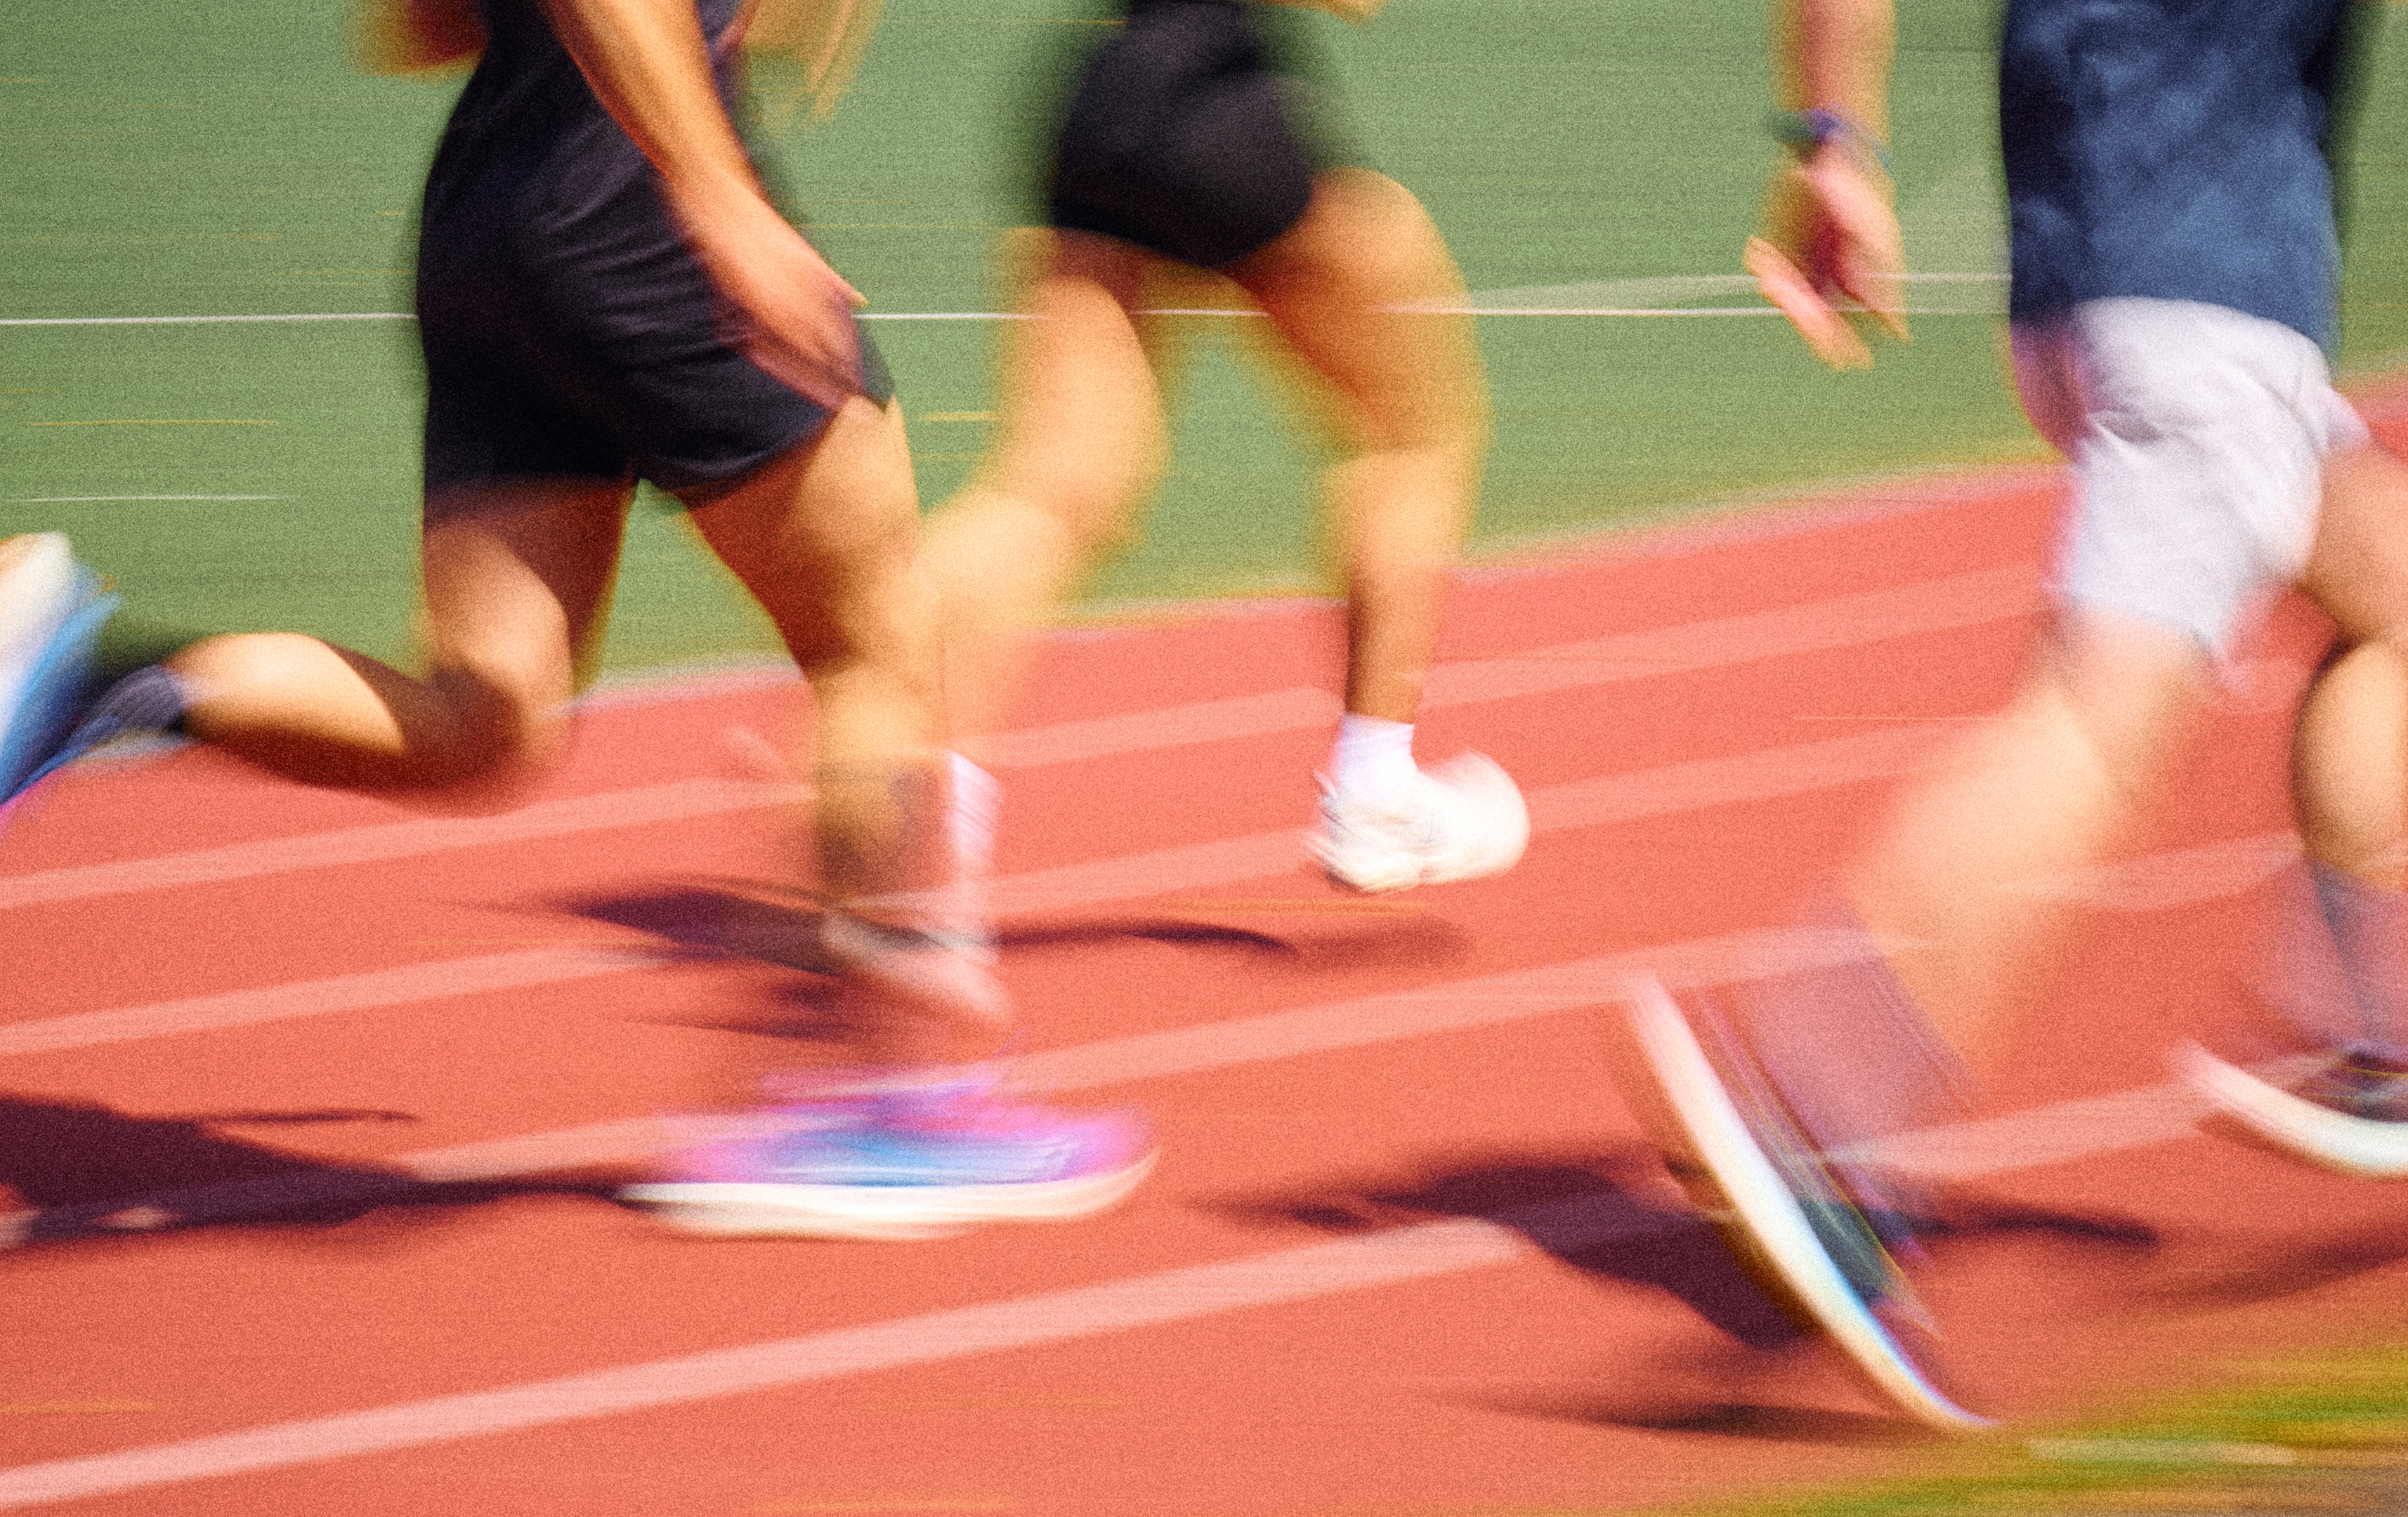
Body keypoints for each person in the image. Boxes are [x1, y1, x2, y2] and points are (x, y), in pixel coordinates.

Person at [0, 0, 1150, 1242]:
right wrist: (712, 189)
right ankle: (886, 1106)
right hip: (647, 221)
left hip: (497, 230)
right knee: (874, 644)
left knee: (485, 715)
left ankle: (86, 678)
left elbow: (427, 23)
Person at [1630, 0, 2408, 1429]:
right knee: (2096, 728)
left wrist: (1831, 145)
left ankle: (2374, 1043)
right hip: (2208, 305)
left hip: (2082, 294)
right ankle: (1815, 1113)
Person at [918, 0, 1529, 898]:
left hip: (1096, 104)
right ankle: (1376, 792)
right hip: (1219, 107)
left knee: (1049, 495)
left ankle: (898, 792)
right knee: (1414, 434)